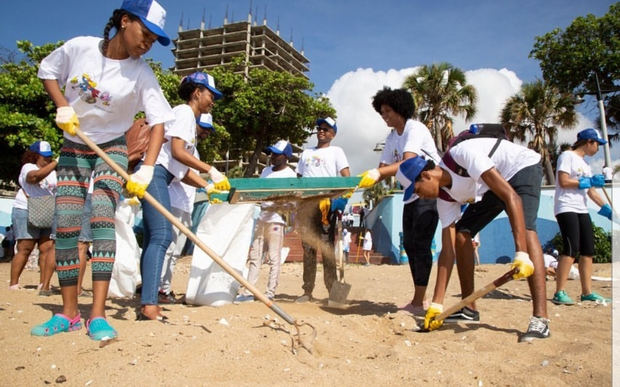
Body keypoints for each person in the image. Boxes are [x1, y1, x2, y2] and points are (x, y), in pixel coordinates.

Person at [32, 0, 175, 341]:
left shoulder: (142, 72)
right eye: (146, 32)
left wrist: (147, 168)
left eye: (154, 40)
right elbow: (46, 71)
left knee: (101, 219)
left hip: (112, 147)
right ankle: (68, 313)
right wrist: (63, 106)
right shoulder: (80, 48)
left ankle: (96, 314)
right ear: (125, 21)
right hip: (74, 144)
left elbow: (159, 122)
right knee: (66, 225)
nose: (147, 43)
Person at [396, 133, 550, 342]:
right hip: (492, 186)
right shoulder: (444, 199)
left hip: (521, 168)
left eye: (417, 191)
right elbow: (448, 251)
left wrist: (521, 253)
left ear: (426, 176)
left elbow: (511, 196)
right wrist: (436, 304)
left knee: (527, 229)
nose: (420, 197)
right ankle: (469, 307)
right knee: (461, 235)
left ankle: (541, 319)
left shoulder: (462, 155)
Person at [137, 72, 228, 320]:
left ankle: (146, 298)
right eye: (211, 95)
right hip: (155, 175)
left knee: (153, 238)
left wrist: (207, 185)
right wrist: (210, 169)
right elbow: (177, 153)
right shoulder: (186, 113)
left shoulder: (186, 117)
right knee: (162, 235)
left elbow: (180, 170)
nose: (212, 101)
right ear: (197, 92)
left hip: (163, 175)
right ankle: (149, 303)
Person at [359, 87, 441, 316]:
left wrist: (378, 173)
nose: (384, 116)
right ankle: (419, 298)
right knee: (410, 245)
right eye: (381, 112)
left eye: (387, 111)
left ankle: (419, 301)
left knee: (421, 245)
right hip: (410, 194)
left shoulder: (415, 129)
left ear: (400, 109)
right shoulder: (392, 137)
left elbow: (408, 162)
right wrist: (362, 181)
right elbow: (384, 167)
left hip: (429, 191)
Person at [158, 114, 215, 304]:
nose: (204, 132)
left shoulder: (193, 150)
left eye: (208, 129)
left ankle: (162, 287)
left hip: (184, 205)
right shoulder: (183, 147)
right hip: (174, 202)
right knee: (168, 248)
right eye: (202, 127)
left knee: (175, 251)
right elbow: (180, 174)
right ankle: (160, 290)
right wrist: (207, 183)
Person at [552, 128, 612, 305]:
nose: (598, 149)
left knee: (588, 250)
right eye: (597, 145)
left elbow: (591, 191)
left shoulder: (585, 164)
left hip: (582, 209)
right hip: (566, 207)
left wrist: (607, 209)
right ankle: (559, 292)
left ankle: (587, 292)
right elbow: (563, 181)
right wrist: (586, 181)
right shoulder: (567, 156)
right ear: (589, 142)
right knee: (571, 248)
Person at [295, 117, 350, 302]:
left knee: (327, 248)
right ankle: (307, 291)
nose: (321, 131)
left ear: (333, 134)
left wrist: (341, 200)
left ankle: (333, 293)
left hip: (326, 206)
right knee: (308, 248)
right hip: (307, 205)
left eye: (326, 129)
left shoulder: (337, 152)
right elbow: (299, 179)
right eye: (319, 128)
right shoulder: (306, 153)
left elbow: (346, 178)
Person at [235, 140, 297, 303]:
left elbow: (293, 200)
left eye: (277, 154)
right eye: (272, 153)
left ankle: (270, 292)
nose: (273, 156)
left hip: (277, 219)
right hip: (262, 217)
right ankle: (249, 290)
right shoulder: (265, 171)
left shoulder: (290, 174)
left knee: (274, 257)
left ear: (286, 157)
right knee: (255, 255)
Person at [10, 141, 57, 295]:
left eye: (50, 157)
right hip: (25, 209)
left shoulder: (53, 172)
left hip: (47, 211)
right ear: (35, 156)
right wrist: (55, 163)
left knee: (46, 248)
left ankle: (43, 283)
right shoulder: (28, 168)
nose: (47, 160)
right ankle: (14, 283)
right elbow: (34, 178)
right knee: (25, 248)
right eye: (44, 157)